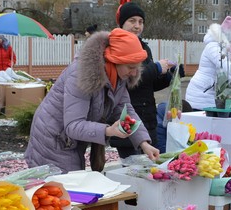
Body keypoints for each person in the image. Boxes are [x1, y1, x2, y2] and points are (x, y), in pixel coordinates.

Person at [25, 28, 160, 172]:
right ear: (114, 60)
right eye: (131, 67)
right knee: (67, 189)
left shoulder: (118, 78)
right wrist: (108, 131)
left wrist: (144, 143)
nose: (134, 73)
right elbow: (73, 125)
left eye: (137, 67)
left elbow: (126, 111)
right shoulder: (81, 74)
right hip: (52, 140)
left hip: (69, 140)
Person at [112, 0, 180, 158]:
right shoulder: (116, 47)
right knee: (131, 169)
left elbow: (149, 83)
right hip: (128, 117)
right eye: (132, 21)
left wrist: (170, 75)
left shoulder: (144, 47)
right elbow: (129, 80)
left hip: (148, 118)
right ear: (122, 24)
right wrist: (156, 67)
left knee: (150, 168)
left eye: (141, 21)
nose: (137, 26)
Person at [185, 16, 231, 110]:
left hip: (208, 94)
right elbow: (226, 67)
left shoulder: (223, 48)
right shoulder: (213, 47)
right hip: (201, 96)